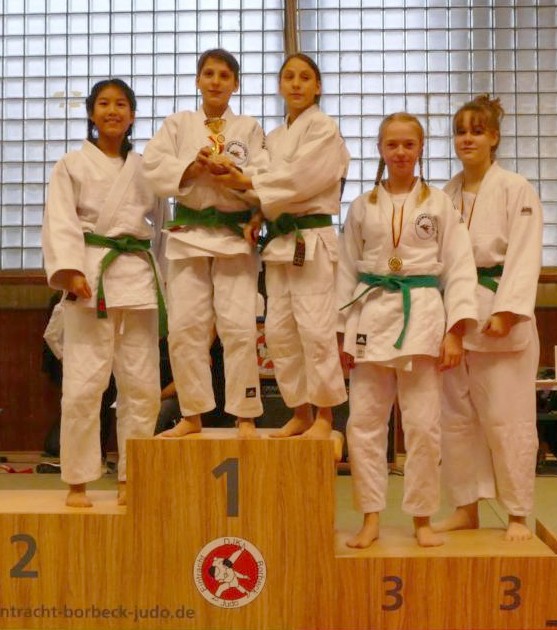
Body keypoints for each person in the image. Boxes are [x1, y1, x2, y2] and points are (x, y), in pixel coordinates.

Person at [337, 112, 478, 548]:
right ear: (381, 149)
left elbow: (459, 268)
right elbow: (345, 270)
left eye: (408, 144)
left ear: (420, 149)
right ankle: (370, 517)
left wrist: (455, 331)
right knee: (364, 423)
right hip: (370, 314)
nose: (400, 152)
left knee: (423, 426)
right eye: (392, 144)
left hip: (422, 315)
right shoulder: (362, 206)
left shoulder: (440, 205)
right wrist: (342, 332)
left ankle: (421, 517)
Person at [42, 78, 168, 507]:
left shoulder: (147, 168)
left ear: (132, 115)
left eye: (120, 104)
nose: (112, 111)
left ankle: (132, 476)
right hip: (91, 276)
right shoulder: (71, 164)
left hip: (138, 280)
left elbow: (162, 229)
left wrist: (164, 281)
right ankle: (77, 481)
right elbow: (60, 220)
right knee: (83, 384)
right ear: (91, 113)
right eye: (103, 104)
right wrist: (70, 269)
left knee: (142, 387)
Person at [215, 53, 349, 439]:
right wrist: (257, 210)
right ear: (280, 85)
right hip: (279, 243)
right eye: (289, 77)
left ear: (317, 86)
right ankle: (300, 410)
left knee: (316, 330)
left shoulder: (324, 128)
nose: (296, 84)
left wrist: (247, 182)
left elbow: (300, 178)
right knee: (279, 332)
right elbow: (265, 178)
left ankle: (325, 416)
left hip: (311, 241)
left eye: (305, 77)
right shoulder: (273, 137)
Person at [143, 48, 267, 439]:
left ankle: (244, 414)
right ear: (198, 79)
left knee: (239, 328)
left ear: (236, 84)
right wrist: (192, 167)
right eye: (209, 74)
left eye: (224, 75)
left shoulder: (248, 127)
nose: (216, 81)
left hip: (233, 236)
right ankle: (192, 414)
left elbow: (264, 175)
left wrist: (235, 174)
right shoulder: (178, 124)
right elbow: (152, 167)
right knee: (184, 329)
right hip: (188, 235)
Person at [434, 95, 543, 541]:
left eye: (477, 132)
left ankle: (517, 512)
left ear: (494, 137)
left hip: (499, 314)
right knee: (456, 420)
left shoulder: (516, 188)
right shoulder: (444, 195)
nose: (467, 139)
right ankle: (466, 507)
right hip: (455, 316)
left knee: (507, 419)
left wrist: (508, 310)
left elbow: (526, 253)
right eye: (461, 132)